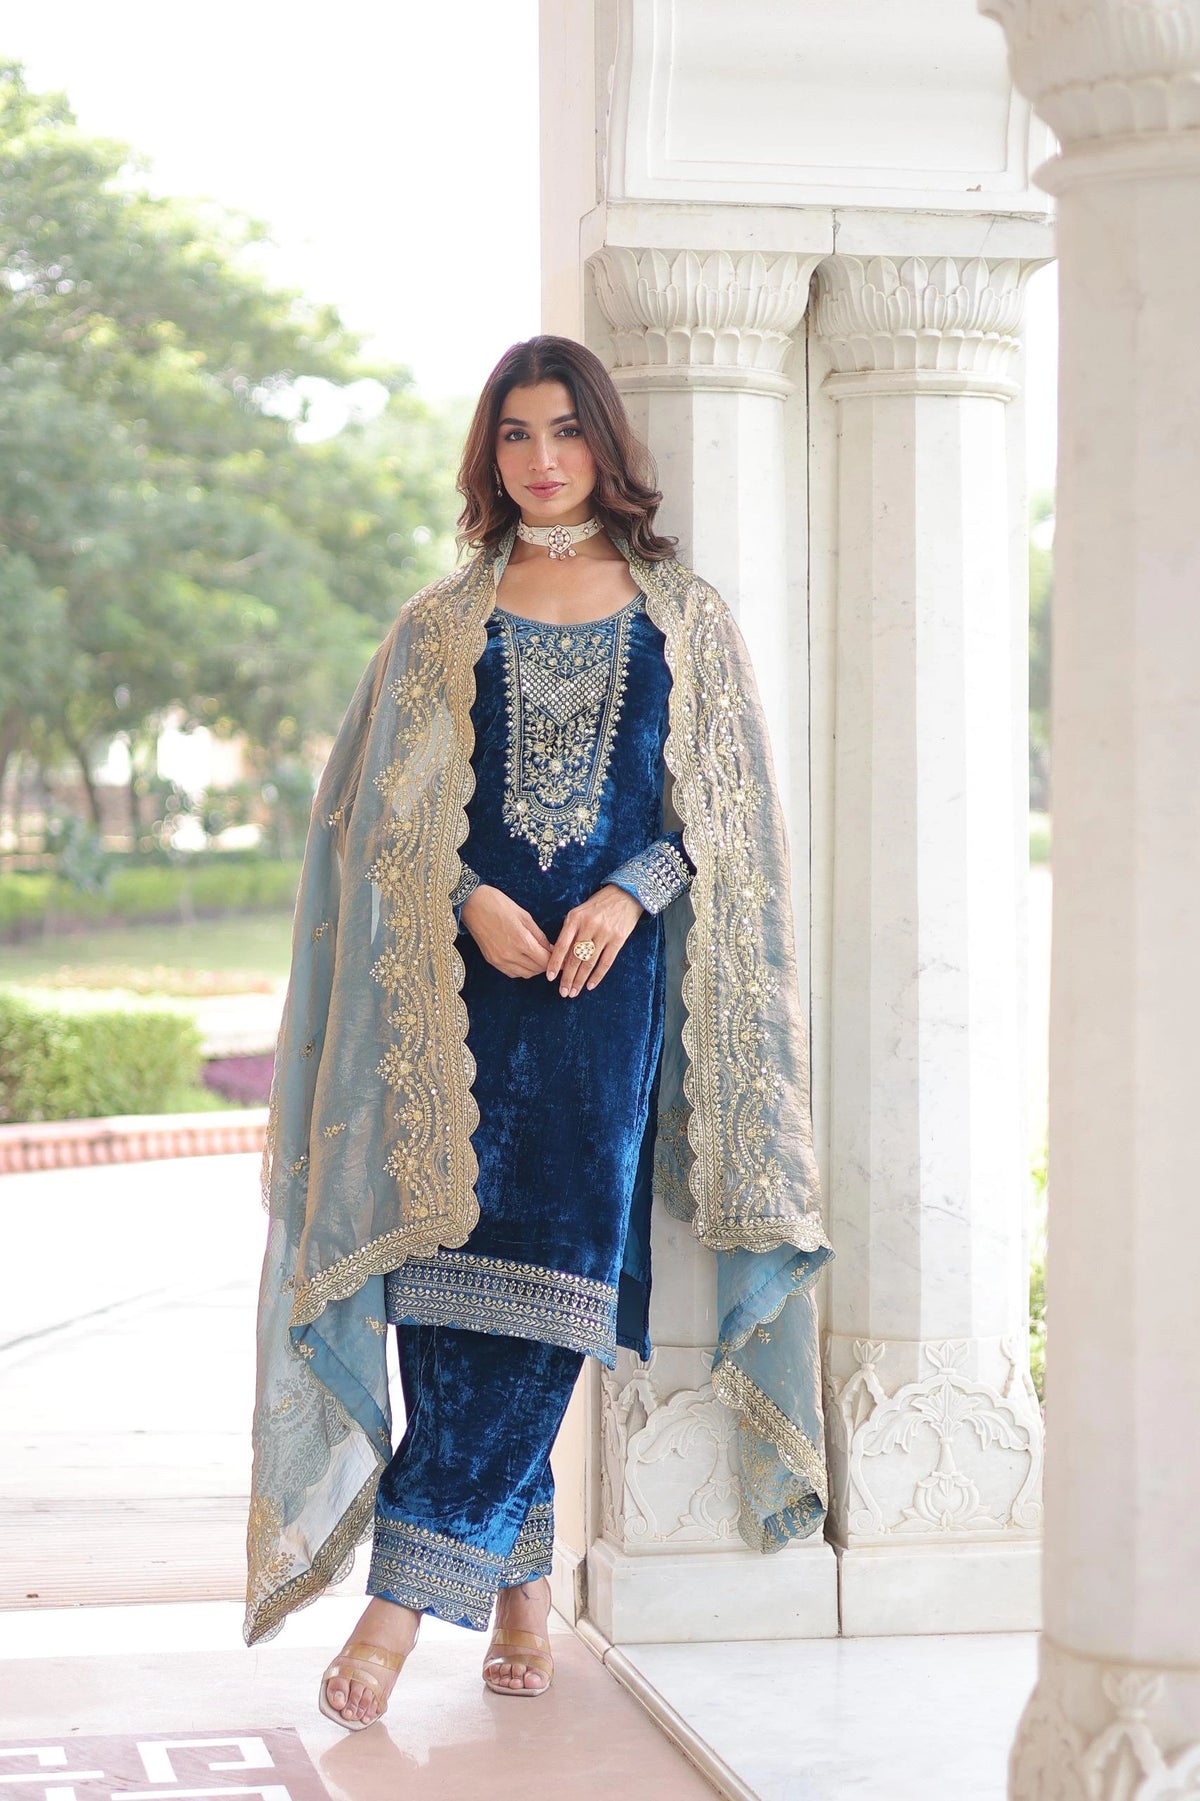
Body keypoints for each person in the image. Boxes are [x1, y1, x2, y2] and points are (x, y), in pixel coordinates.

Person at [245, 335, 833, 1730]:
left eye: (566, 429)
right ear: (489, 455)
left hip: (594, 1010)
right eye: (515, 434)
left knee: (553, 1287)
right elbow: (374, 821)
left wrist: (630, 894)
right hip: (450, 1012)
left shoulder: (682, 616)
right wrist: (464, 896)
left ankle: (395, 1608)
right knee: (443, 1295)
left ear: (608, 444)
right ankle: (517, 1588)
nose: (543, 457)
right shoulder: (441, 623)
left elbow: (724, 826)